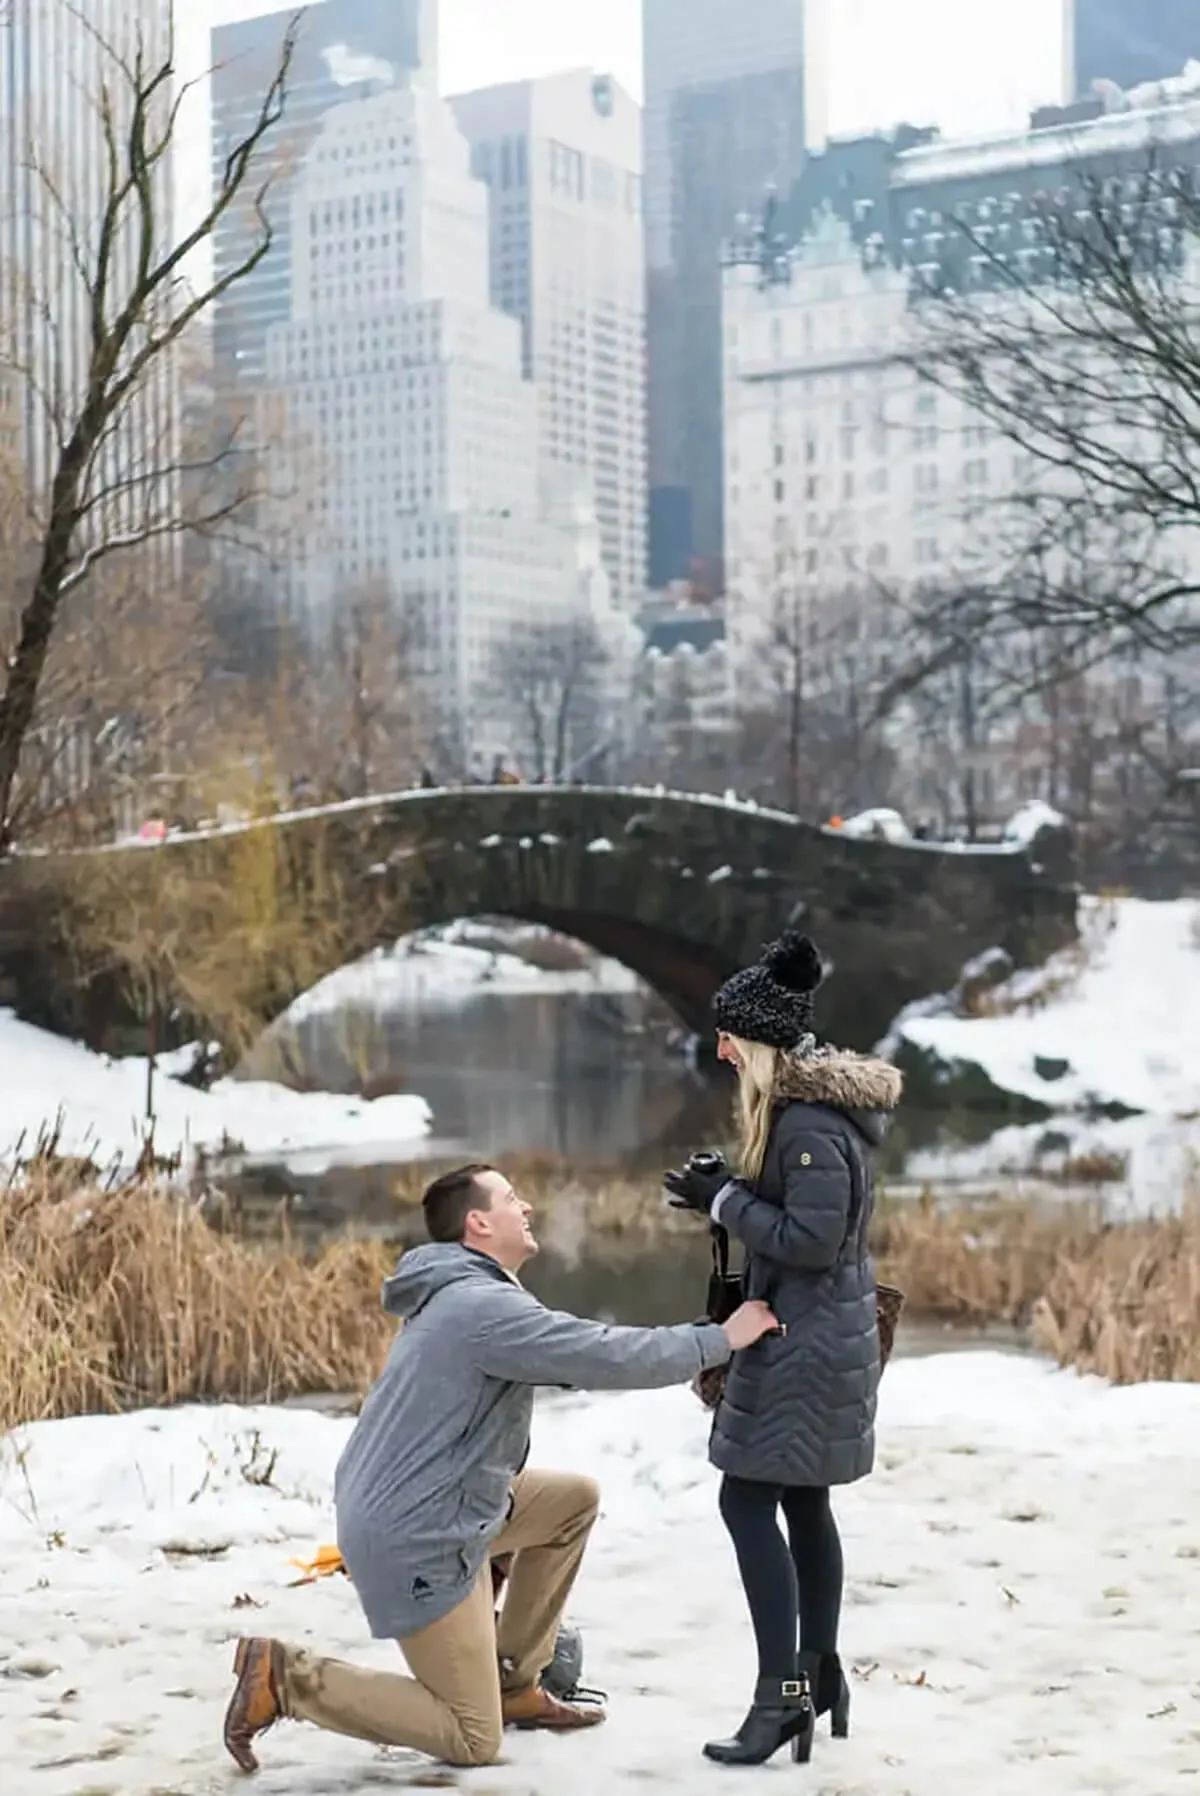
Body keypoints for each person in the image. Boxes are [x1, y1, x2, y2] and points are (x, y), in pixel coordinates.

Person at [222, 1162, 778, 1774]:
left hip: (438, 1501)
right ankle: (286, 1679)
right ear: (478, 1222)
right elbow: (601, 1354)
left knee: (572, 1502)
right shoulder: (479, 1306)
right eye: (513, 1199)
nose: (528, 1208)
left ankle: (514, 1682)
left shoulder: (466, 1295)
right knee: (471, 1736)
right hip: (417, 1535)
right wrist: (721, 1338)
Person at [663, 931, 901, 1768]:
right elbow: (805, 1215)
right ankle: (820, 1674)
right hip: (819, 1335)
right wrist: (724, 1188)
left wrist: (724, 1198)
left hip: (801, 1343)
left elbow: (811, 1239)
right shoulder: (813, 1119)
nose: (720, 1048)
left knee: (745, 1503)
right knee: (802, 1505)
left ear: (760, 1041)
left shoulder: (803, 1124)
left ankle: (781, 1697)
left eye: (730, 1036)